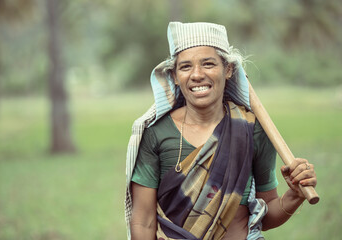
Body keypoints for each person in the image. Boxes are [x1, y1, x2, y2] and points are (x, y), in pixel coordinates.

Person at [125, 22, 317, 240]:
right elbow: (143, 221)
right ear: (175, 77)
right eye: (185, 67)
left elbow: (267, 215)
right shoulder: (156, 134)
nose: (196, 75)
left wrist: (295, 194)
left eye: (208, 64)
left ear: (228, 70)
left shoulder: (251, 129)